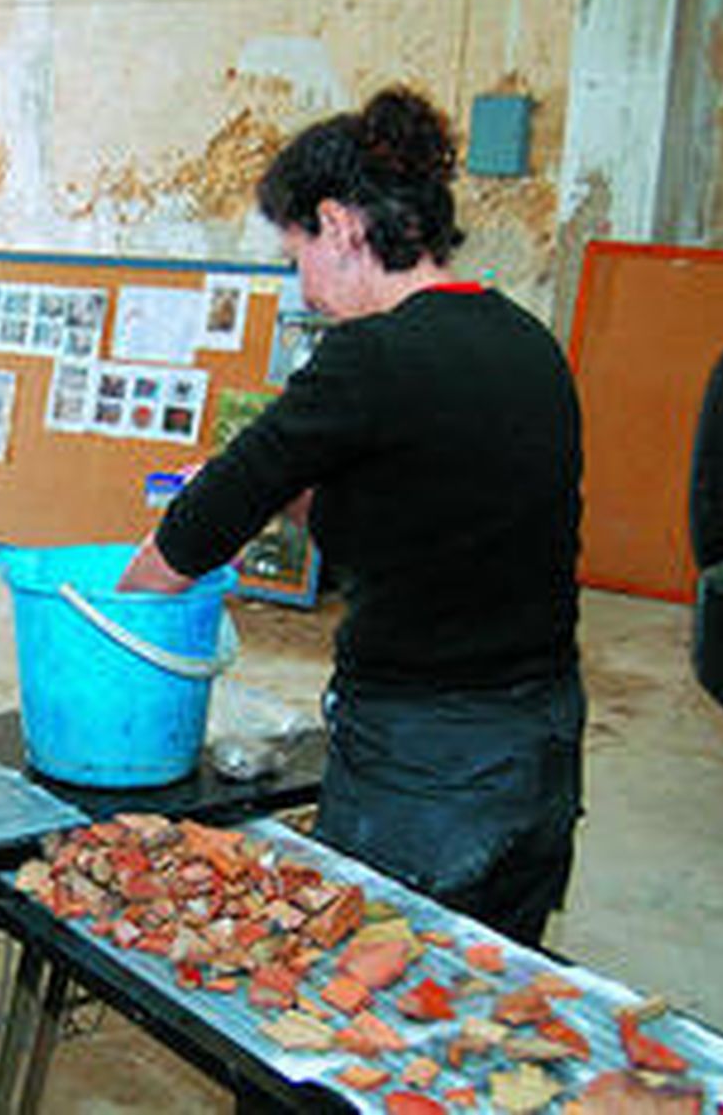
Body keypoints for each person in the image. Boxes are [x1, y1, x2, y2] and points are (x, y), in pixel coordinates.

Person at [119, 87, 585, 948]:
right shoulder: (526, 343)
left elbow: (188, 540)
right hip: (541, 749)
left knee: (360, 1026)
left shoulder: (369, 358)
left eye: (295, 252)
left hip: (427, 765)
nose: (303, 285)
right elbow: (424, 523)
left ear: (337, 225)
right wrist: (289, 491)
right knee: (483, 993)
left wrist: (116, 620)